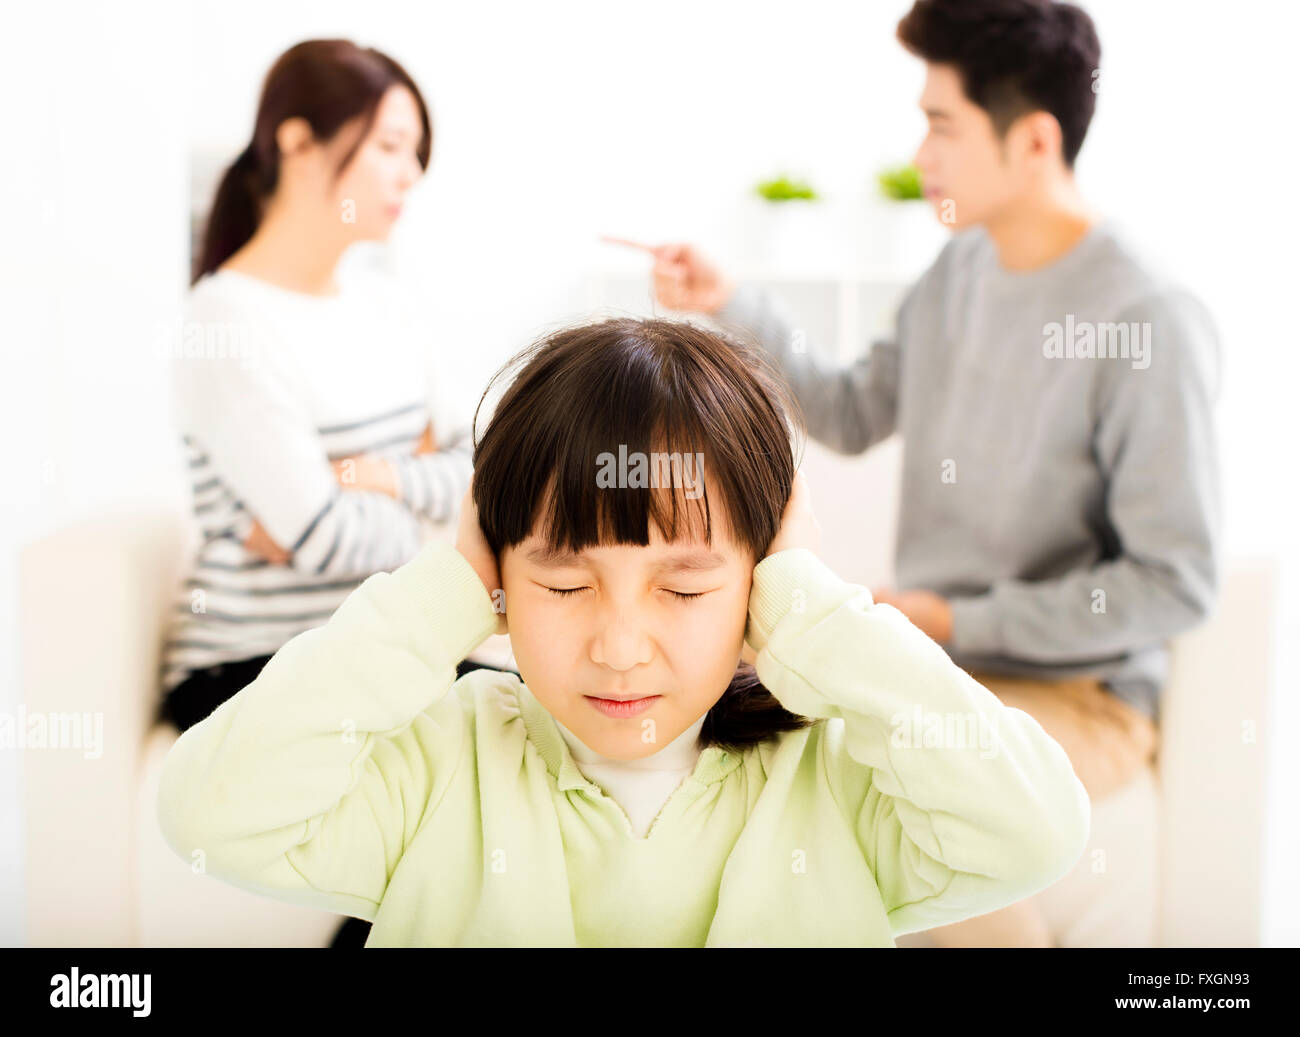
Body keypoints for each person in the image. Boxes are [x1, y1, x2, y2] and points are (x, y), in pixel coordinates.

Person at [156, 314, 1091, 947]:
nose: (619, 643)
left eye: (683, 589)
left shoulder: (835, 781)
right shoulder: (440, 765)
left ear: (758, 582)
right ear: (499, 576)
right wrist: (439, 595)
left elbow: (1034, 830)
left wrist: (814, 609)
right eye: (563, 582)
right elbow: (209, 811)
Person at [648, 0, 1220, 946]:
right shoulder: (960, 270)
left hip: (1080, 695)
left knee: (910, 785)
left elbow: (1175, 582)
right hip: (937, 662)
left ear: (1034, 141)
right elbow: (847, 407)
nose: (923, 153)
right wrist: (732, 301)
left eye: (942, 124)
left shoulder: (1149, 314)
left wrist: (953, 619)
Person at [155, 39, 502, 947]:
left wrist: (377, 480)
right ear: (299, 142)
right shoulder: (224, 322)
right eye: (390, 146)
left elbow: (482, 469)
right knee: (466, 780)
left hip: (381, 633)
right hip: (254, 657)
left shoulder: (384, 305)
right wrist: (420, 510)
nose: (410, 174)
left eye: (416, 153)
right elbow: (322, 537)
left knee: (531, 738)